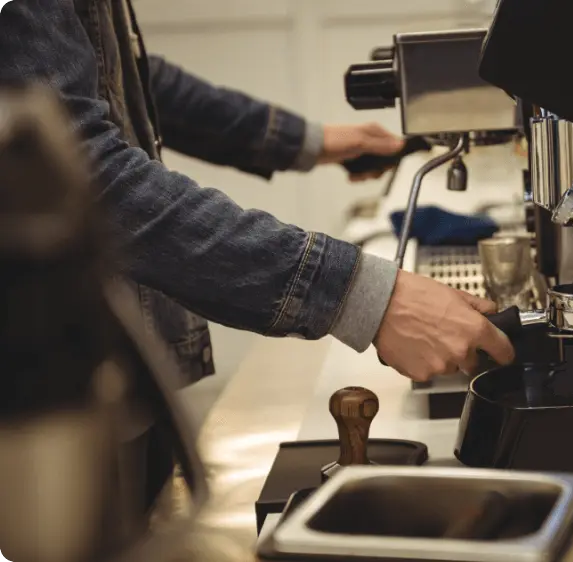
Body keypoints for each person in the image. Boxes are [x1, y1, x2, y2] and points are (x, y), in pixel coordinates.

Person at [0, 0, 514, 513]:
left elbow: (126, 76)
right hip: (41, 408)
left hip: (113, 385)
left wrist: (307, 141)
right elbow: (82, 173)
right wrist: (365, 295)